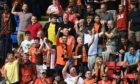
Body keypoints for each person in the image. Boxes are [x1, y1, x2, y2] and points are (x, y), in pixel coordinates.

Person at [0, 2, 16, 67]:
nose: (5, 7)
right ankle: (2, 64)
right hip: (1, 33)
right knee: (1, 49)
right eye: (4, 6)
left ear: (8, 7)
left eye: (6, 6)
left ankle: (6, 63)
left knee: (7, 49)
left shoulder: (11, 15)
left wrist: (12, 31)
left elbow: (14, 24)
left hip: (8, 33)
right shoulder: (1, 14)